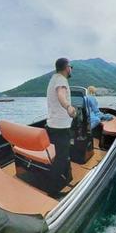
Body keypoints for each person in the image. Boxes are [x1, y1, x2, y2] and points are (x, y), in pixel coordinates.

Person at [46, 57, 76, 195]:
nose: (71, 69)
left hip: (52, 125)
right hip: (60, 127)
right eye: (71, 67)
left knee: (60, 156)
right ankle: (52, 191)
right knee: (61, 158)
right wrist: (69, 107)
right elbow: (61, 95)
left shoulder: (53, 78)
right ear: (66, 67)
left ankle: (64, 179)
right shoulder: (61, 80)